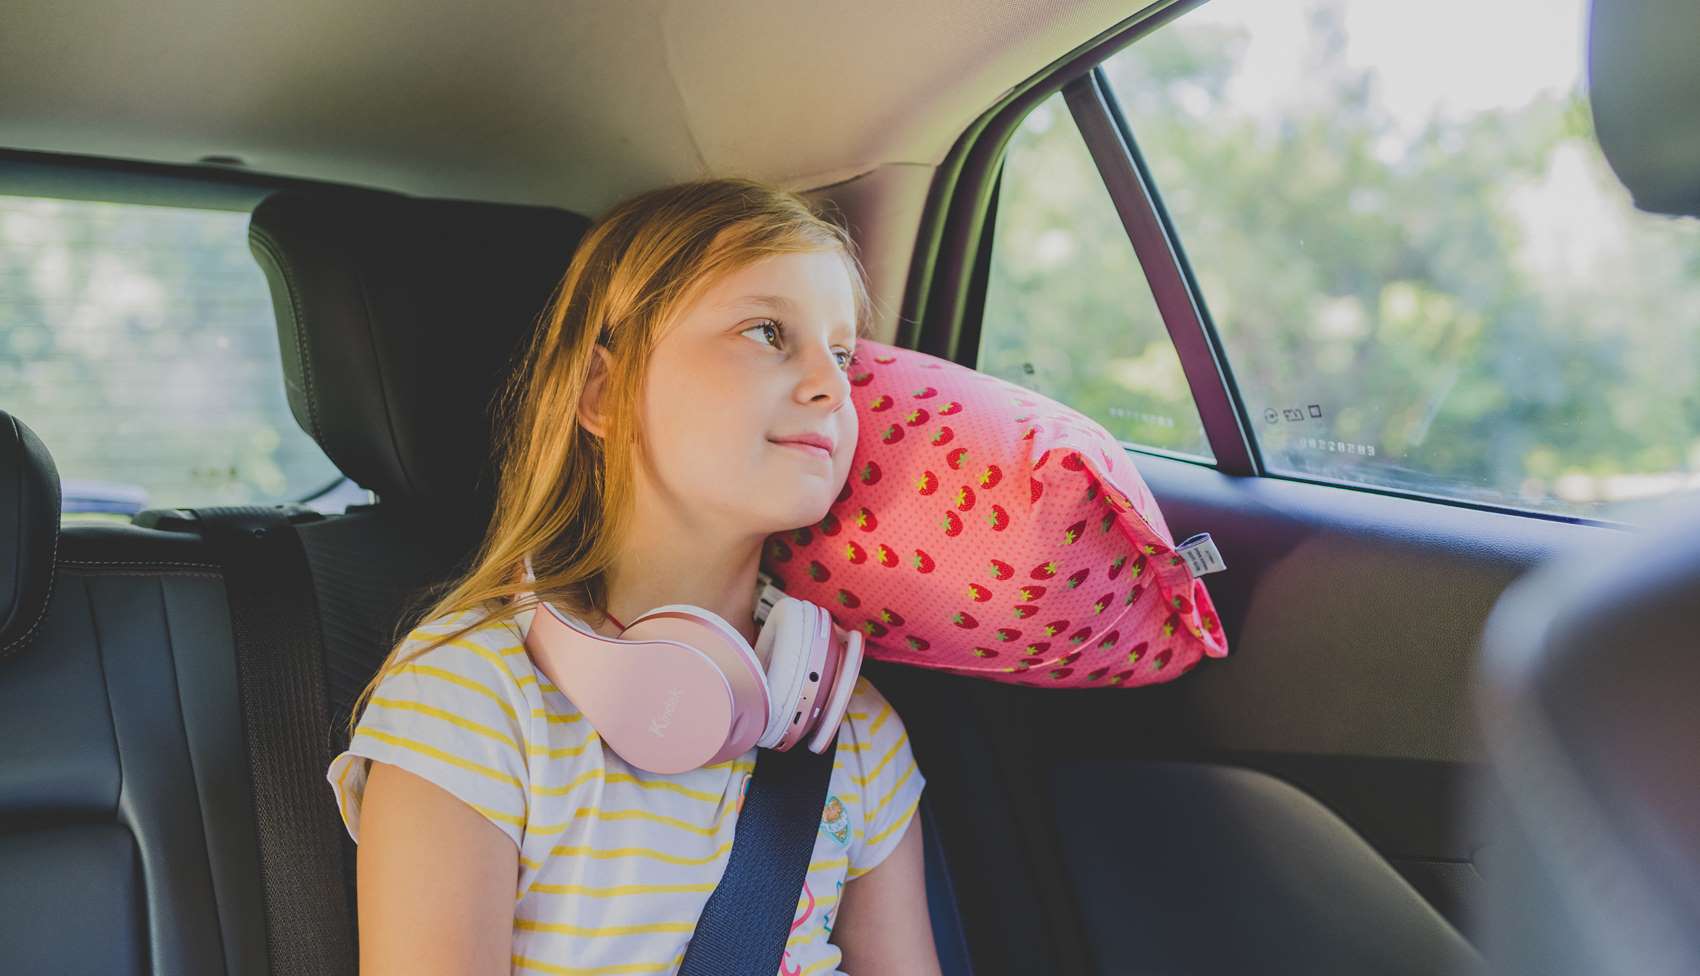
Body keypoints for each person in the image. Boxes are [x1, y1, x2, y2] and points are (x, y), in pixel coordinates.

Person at [325, 177, 941, 976]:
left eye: (842, 353)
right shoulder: (474, 700)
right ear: (606, 392)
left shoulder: (849, 731)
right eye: (765, 331)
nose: (831, 385)